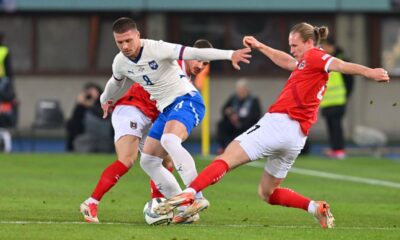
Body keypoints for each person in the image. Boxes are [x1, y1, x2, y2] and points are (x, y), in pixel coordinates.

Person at [154, 22, 390, 229]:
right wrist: (261, 46)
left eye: (295, 45)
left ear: (309, 42)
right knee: (267, 193)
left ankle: (189, 196)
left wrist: (370, 72)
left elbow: (339, 64)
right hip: (296, 138)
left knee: (225, 159)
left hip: (279, 123)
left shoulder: (315, 56)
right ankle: (314, 207)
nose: (292, 50)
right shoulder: (305, 62)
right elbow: (287, 61)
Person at [99, 17, 251, 224]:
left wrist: (230, 54)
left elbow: (195, 51)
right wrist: (105, 99)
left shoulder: (158, 49)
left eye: (128, 40)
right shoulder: (120, 61)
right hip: (167, 110)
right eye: (120, 42)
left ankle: (196, 196)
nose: (125, 46)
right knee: (149, 160)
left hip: (188, 101)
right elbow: (115, 82)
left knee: (169, 140)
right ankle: (185, 207)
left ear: (137, 35)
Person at [79, 39, 214, 223]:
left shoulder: (188, 80)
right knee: (127, 159)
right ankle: (91, 203)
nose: (200, 66)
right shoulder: (173, 62)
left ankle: (166, 206)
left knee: (163, 161)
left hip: (152, 117)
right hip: (132, 109)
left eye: (205, 63)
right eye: (198, 59)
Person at [320, 37, 354, 159]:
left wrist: (346, 95)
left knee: (336, 126)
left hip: (338, 100)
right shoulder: (326, 60)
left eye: (324, 46)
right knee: (330, 125)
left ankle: (339, 150)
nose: (323, 48)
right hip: (327, 100)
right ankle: (335, 149)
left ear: (331, 46)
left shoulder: (341, 60)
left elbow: (349, 81)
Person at [216, 78, 261, 153]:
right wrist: (230, 114)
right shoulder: (233, 98)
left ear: (247, 90)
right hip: (233, 123)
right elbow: (224, 109)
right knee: (221, 125)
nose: (240, 92)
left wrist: (239, 118)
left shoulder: (253, 100)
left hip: (246, 124)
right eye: (238, 90)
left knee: (247, 127)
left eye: (242, 90)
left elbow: (255, 115)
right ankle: (224, 147)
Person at [66, 83, 113, 152]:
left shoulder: (104, 107)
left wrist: (91, 104)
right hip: (85, 146)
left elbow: (104, 117)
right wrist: (79, 105)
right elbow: (74, 128)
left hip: (105, 146)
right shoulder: (80, 109)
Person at [0, 32, 17, 152]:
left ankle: (6, 146)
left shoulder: (4, 51)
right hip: (4, 86)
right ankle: (7, 146)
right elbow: (9, 72)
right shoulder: (5, 50)